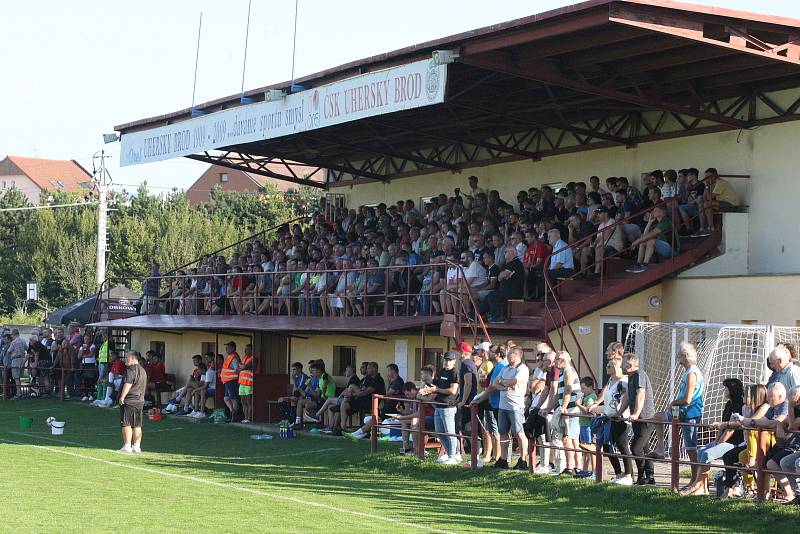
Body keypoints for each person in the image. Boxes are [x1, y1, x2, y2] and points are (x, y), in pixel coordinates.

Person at [651, 342, 705, 486]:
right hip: (680, 411)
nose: (677, 357)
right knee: (657, 417)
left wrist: (673, 403)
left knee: (691, 448)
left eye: (679, 355)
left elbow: (687, 399)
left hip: (690, 413)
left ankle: (696, 479)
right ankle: (661, 448)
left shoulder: (692, 373)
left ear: (685, 356)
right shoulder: (687, 371)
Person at [682, 378, 744, 495]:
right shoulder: (728, 404)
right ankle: (703, 487)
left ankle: (696, 484)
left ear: (732, 389)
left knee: (707, 453)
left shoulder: (739, 405)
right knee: (701, 450)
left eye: (725, 388)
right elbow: (722, 425)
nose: (723, 390)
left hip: (734, 442)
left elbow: (731, 429)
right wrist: (716, 441)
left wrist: (718, 444)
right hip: (724, 439)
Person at [476, 346, 529, 470]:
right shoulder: (505, 368)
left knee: (518, 433)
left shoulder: (522, 369)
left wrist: (503, 382)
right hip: (503, 405)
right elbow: (495, 383)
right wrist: (503, 385)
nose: (508, 355)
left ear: (516, 355)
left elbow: (514, 381)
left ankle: (523, 459)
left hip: (515, 406)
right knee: (503, 433)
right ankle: (503, 459)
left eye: (510, 353)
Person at [740, 382, 790, 503]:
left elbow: (777, 422)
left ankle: (790, 494)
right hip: (777, 443)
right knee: (760, 462)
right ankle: (762, 494)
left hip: (787, 443)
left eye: (770, 397)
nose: (767, 399)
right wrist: (754, 422)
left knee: (771, 463)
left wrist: (753, 422)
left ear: (780, 396)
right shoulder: (772, 407)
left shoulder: (785, 405)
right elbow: (761, 421)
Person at [589, 359, 633, 484]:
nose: (607, 367)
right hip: (609, 417)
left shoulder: (623, 381)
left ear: (617, 367)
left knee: (622, 445)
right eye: (607, 364)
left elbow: (628, 396)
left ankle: (629, 476)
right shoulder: (610, 381)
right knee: (606, 446)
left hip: (621, 418)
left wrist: (621, 411)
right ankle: (619, 473)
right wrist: (595, 407)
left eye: (610, 365)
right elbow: (608, 402)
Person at [618, 352, 656, 485]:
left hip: (645, 418)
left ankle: (642, 475)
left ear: (629, 364)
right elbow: (628, 396)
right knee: (644, 448)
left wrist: (635, 414)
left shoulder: (639, 374)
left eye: (622, 364)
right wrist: (619, 413)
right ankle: (649, 477)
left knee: (636, 448)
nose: (621, 366)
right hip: (638, 419)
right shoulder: (631, 377)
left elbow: (641, 394)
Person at [420, 352, 460, 464]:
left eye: (449, 360)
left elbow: (453, 391)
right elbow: (437, 386)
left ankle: (454, 456)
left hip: (448, 406)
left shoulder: (454, 372)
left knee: (450, 432)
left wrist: (435, 390)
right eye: (445, 360)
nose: (446, 362)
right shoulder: (442, 371)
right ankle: (449, 453)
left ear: (454, 361)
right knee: (439, 432)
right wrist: (429, 389)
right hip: (438, 405)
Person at [547, 351, 581, 475]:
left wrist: (563, 407)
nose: (554, 362)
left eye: (556, 359)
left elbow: (568, 390)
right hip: (568, 409)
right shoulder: (563, 372)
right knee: (568, 439)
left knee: (568, 439)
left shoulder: (567, 371)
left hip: (571, 410)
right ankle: (573, 466)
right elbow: (559, 394)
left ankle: (571, 467)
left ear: (562, 360)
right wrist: (549, 408)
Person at [627, 204, 680, 274]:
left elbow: (653, 233)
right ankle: (638, 264)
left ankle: (644, 265)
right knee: (643, 241)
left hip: (673, 249)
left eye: (655, 210)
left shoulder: (665, 221)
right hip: (665, 248)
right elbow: (644, 236)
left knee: (651, 241)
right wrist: (649, 222)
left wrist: (636, 241)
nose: (652, 212)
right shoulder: (658, 224)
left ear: (662, 212)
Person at [480, 246, 524, 323]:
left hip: (514, 292)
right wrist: (502, 275)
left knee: (492, 295)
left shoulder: (515, 262)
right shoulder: (508, 264)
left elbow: (502, 276)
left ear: (512, 253)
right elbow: (500, 277)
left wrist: (502, 275)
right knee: (488, 296)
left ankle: (497, 318)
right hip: (505, 291)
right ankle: (476, 315)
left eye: (506, 252)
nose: (504, 254)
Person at [118, 350, 147, 454]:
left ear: (134, 358)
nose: (126, 359)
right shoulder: (143, 370)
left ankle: (127, 446)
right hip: (140, 401)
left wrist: (122, 396)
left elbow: (128, 383)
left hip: (130, 400)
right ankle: (137, 446)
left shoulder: (130, 370)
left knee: (126, 423)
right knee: (137, 424)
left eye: (127, 357)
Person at [576, 376, 598, 477]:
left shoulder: (591, 397)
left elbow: (587, 410)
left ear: (590, 387)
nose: (582, 390)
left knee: (591, 449)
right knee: (585, 449)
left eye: (584, 388)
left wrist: (578, 404)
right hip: (583, 424)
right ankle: (585, 469)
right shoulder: (586, 396)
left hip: (588, 426)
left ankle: (594, 471)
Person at [220, 341, 241, 422]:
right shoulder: (230, 356)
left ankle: (234, 415)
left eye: (228, 347)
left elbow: (237, 369)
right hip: (227, 382)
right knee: (226, 398)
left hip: (232, 381)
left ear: (233, 348)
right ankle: (232, 412)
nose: (226, 349)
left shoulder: (234, 358)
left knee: (233, 398)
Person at [238, 344, 255, 424]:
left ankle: (249, 418)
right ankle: (245, 418)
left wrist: (242, 366)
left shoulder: (253, 358)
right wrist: (242, 366)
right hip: (242, 383)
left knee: (249, 402)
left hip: (249, 383)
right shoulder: (244, 358)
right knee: (243, 402)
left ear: (252, 350)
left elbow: (245, 367)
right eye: (245, 349)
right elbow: (238, 368)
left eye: (247, 349)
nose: (245, 351)